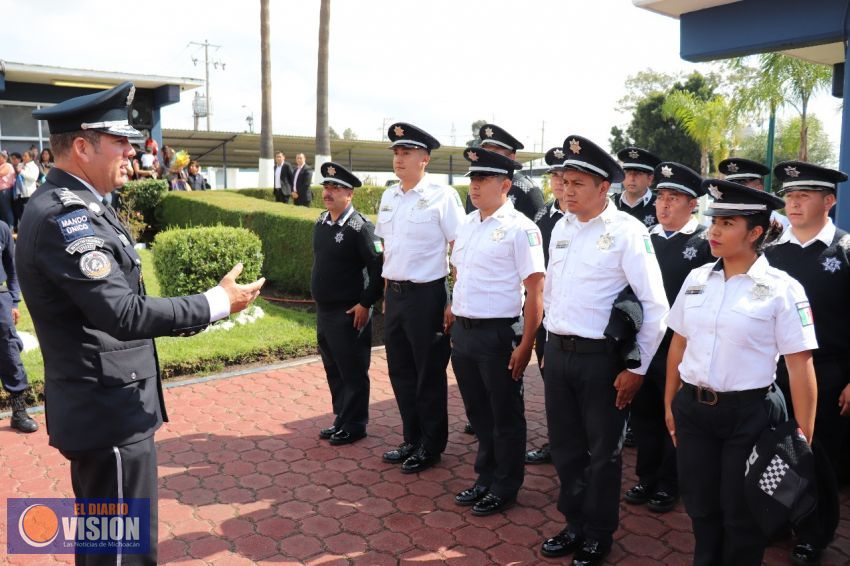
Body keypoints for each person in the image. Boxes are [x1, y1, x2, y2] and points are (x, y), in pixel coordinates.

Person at [19, 82, 265, 565]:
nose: (133, 152)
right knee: (119, 554)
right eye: (120, 142)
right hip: (107, 412)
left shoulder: (83, 205)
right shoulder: (65, 217)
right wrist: (215, 301)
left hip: (110, 404)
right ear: (83, 147)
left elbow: (121, 302)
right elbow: (122, 313)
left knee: (111, 546)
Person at [664, 178, 817, 566]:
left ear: (756, 232)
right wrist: (670, 401)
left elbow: (800, 367)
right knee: (700, 507)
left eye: (728, 223)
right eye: (714, 220)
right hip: (694, 412)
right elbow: (679, 343)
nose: (714, 231)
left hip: (749, 417)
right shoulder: (698, 279)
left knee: (742, 514)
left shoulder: (783, 289)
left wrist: (801, 442)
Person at [539, 135, 668, 566]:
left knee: (603, 454)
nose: (567, 190)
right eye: (564, 181)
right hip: (559, 355)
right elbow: (553, 291)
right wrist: (547, 341)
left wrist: (639, 368)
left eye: (577, 183)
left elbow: (656, 306)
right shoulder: (561, 226)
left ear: (603, 188)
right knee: (565, 448)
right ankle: (573, 523)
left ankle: (598, 533)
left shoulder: (627, 233)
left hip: (601, 361)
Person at [450, 147, 545, 516]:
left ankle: (506, 485)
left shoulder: (522, 229)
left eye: (484, 179)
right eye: (473, 178)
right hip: (465, 332)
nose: (475, 186)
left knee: (505, 414)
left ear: (505, 185)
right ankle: (485, 476)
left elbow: (536, 290)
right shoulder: (468, 224)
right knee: (478, 413)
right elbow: (461, 273)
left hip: (498, 334)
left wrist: (526, 344)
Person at [765, 160, 849, 565]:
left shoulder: (845, 251)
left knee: (819, 455)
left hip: (829, 372)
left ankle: (815, 533)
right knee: (777, 451)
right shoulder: (771, 254)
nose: (793, 204)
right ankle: (781, 517)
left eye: (804, 195)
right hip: (775, 371)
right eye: (790, 195)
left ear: (829, 201)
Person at [375, 122, 465, 474]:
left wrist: (453, 299)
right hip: (395, 296)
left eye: (406, 153)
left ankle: (431, 444)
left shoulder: (442, 196)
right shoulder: (389, 195)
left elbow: (460, 248)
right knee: (400, 371)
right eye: (396, 153)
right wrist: (385, 293)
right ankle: (411, 437)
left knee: (428, 373)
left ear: (424, 159)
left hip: (428, 295)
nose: (399, 159)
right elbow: (387, 249)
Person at [624, 162, 712, 514]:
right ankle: (646, 477)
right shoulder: (645, 236)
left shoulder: (705, 242)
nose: (664, 204)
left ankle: (670, 483)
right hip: (647, 342)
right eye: (661, 196)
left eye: (674, 198)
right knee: (644, 414)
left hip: (684, 345)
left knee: (675, 414)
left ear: (693, 204)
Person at [312, 162, 383, 446]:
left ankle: (355, 424)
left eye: (335, 188)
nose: (328, 193)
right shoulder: (321, 221)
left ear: (349, 194)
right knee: (333, 368)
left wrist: (366, 303)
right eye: (326, 187)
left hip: (349, 312)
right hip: (324, 311)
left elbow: (379, 270)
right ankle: (341, 417)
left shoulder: (361, 228)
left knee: (352, 370)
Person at [525, 146, 567, 466]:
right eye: (553, 174)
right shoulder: (543, 216)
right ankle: (556, 441)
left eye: (563, 174)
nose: (557, 180)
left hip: (578, 317)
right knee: (550, 378)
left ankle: (578, 444)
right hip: (546, 312)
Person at [0, 218, 37, 433]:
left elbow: (11, 267)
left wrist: (14, 301)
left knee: (9, 352)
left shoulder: (3, 228)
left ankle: (19, 411)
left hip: (1, 298)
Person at [464, 123, 544, 221]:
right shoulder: (473, 191)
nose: (487, 157)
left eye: (494, 152)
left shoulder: (526, 189)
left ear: (512, 157)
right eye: (485, 151)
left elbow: (539, 227)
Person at [718, 157, 789, 228]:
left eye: (741, 184)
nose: (734, 189)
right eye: (730, 185)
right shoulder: (716, 219)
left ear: (759, 189)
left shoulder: (782, 224)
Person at [615, 146, 662, 229]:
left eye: (638, 173)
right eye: (628, 172)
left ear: (649, 179)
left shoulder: (660, 206)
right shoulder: (611, 203)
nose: (632, 178)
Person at [15, 150, 39, 223]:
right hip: (19, 193)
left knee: (27, 213)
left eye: (25, 156)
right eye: (23, 156)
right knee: (19, 212)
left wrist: (21, 172)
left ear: (31, 157)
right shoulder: (20, 165)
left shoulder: (34, 166)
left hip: (28, 194)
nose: (23, 157)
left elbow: (33, 178)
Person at [0, 151, 15, 229]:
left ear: (4, 158)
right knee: (2, 211)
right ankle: (4, 230)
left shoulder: (7, 165)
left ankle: (10, 229)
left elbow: (1, 173)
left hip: (5, 191)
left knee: (7, 210)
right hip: (2, 191)